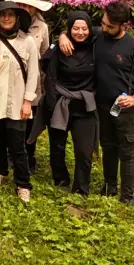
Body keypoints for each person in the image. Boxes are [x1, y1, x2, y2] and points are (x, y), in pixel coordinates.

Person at [59, 0, 134, 203]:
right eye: (103, 23)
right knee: (107, 146)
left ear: (123, 25)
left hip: (126, 108)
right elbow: (77, 30)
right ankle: (109, 187)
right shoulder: (98, 35)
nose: (104, 28)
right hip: (102, 106)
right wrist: (62, 36)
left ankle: (127, 196)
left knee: (127, 151)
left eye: (110, 26)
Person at [0, 2, 40, 202]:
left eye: (10, 15)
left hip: (17, 100)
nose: (6, 18)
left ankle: (23, 183)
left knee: (17, 143)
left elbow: (33, 74)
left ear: (17, 18)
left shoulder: (27, 41)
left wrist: (28, 101)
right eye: (2, 15)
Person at [32, 10, 98, 195]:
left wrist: (62, 34)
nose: (80, 32)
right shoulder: (58, 49)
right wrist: (51, 107)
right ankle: (60, 179)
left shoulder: (96, 45)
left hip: (84, 106)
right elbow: (50, 78)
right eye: (75, 28)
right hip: (60, 102)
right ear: (69, 28)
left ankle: (81, 188)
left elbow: (109, 30)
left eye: (84, 28)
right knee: (57, 146)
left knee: (85, 150)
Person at [0, 0, 53, 171]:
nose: (26, 9)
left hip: (34, 83)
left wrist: (45, 84)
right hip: (11, 80)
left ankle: (29, 155)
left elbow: (45, 54)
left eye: (29, 6)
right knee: (10, 120)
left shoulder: (42, 27)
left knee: (30, 122)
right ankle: (10, 154)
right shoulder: (10, 22)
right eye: (22, 5)